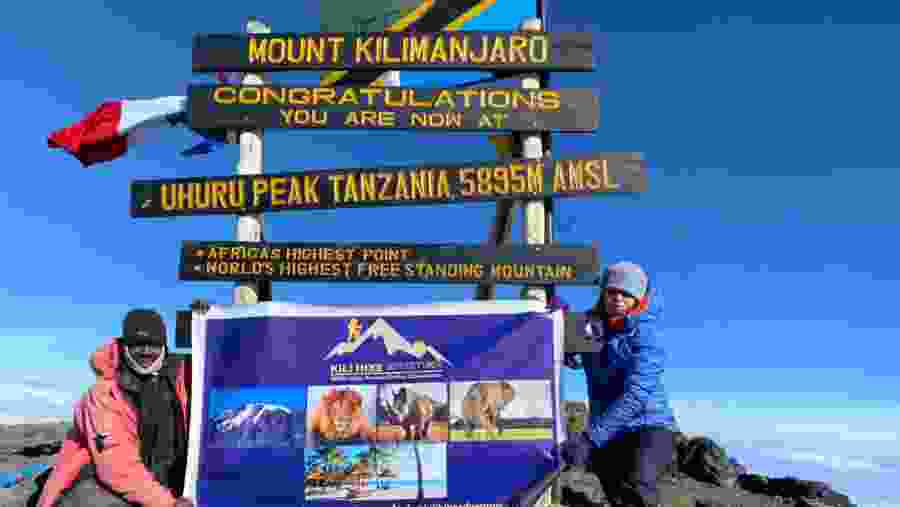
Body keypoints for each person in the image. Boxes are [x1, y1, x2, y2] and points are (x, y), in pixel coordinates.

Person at [37, 309, 194, 507]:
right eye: (137, 344)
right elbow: (117, 464)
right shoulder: (102, 395)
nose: (146, 351)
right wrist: (167, 503)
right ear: (124, 344)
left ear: (164, 345)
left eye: (154, 344)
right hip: (103, 482)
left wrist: (208, 320)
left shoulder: (181, 375)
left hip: (166, 483)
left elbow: (218, 363)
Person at [561, 262, 678, 507]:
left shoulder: (647, 334)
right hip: (608, 428)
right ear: (603, 293)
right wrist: (558, 324)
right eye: (612, 291)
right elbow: (571, 357)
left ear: (639, 298)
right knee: (615, 495)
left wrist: (590, 439)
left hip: (648, 426)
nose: (618, 298)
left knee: (637, 488)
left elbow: (636, 395)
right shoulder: (589, 326)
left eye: (626, 293)